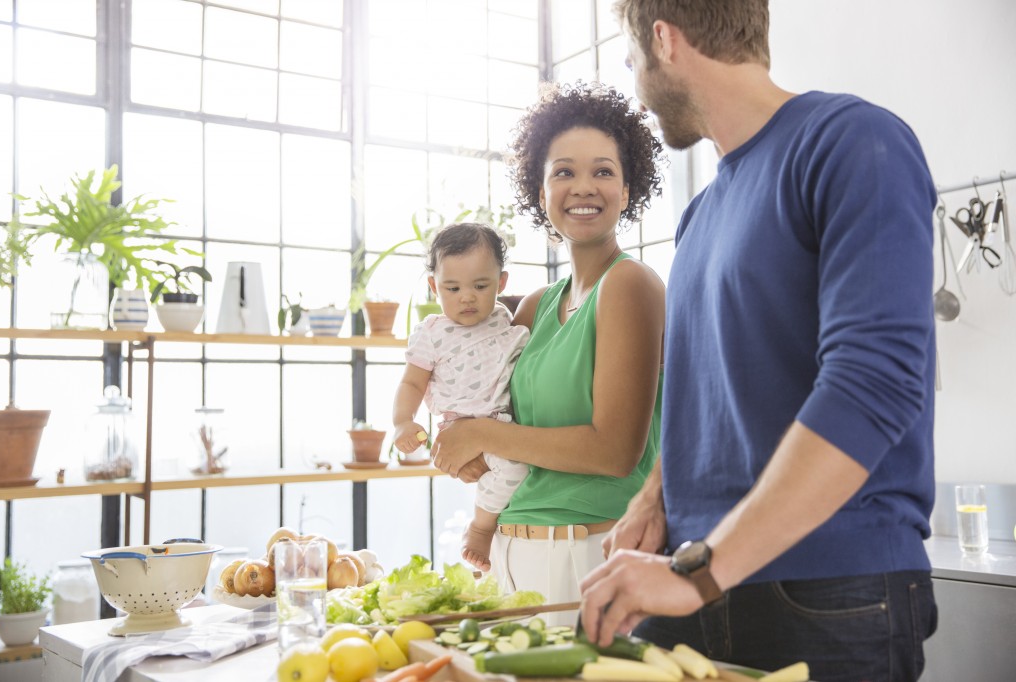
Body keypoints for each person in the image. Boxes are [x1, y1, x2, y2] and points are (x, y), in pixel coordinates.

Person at [579, 2, 938, 681]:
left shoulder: (853, 141)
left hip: (831, 592)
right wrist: (654, 499)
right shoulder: (699, 216)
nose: (635, 84)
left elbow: (873, 386)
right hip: (696, 576)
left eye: (631, 61)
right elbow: (695, 391)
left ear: (664, 40)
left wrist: (702, 570)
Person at [429, 82, 667, 618]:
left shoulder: (630, 286)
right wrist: (465, 452)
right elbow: (490, 411)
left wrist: (481, 435)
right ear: (541, 193)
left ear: (628, 190)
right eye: (564, 172)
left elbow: (614, 452)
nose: (583, 187)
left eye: (603, 171)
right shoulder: (535, 307)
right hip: (509, 556)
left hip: (585, 556)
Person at [391, 222, 530, 572]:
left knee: (516, 468)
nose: (467, 296)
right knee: (511, 471)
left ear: (501, 283)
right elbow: (411, 383)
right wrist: (402, 422)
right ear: (433, 286)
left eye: (480, 286)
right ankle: (482, 528)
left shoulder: (504, 320)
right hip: (457, 426)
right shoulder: (433, 333)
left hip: (501, 425)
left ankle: (483, 525)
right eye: (452, 288)